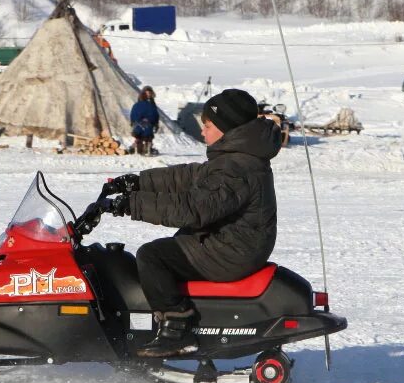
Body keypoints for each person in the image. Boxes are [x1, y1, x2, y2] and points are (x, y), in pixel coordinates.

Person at [101, 88, 282, 357]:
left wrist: (132, 204)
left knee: (152, 256)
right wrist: (139, 181)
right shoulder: (237, 158)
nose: (202, 133)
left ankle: (177, 328)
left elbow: (193, 209)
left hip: (233, 251)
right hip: (235, 242)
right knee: (177, 244)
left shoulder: (236, 168)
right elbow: (189, 177)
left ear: (225, 128)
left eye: (207, 125)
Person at [129, 86, 160, 156]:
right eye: (147, 93)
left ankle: (147, 148)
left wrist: (155, 123)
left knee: (148, 137)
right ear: (144, 94)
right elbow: (134, 114)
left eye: (150, 93)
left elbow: (155, 115)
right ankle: (138, 148)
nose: (148, 95)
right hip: (140, 125)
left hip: (148, 125)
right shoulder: (139, 104)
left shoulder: (152, 104)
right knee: (141, 135)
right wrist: (137, 121)